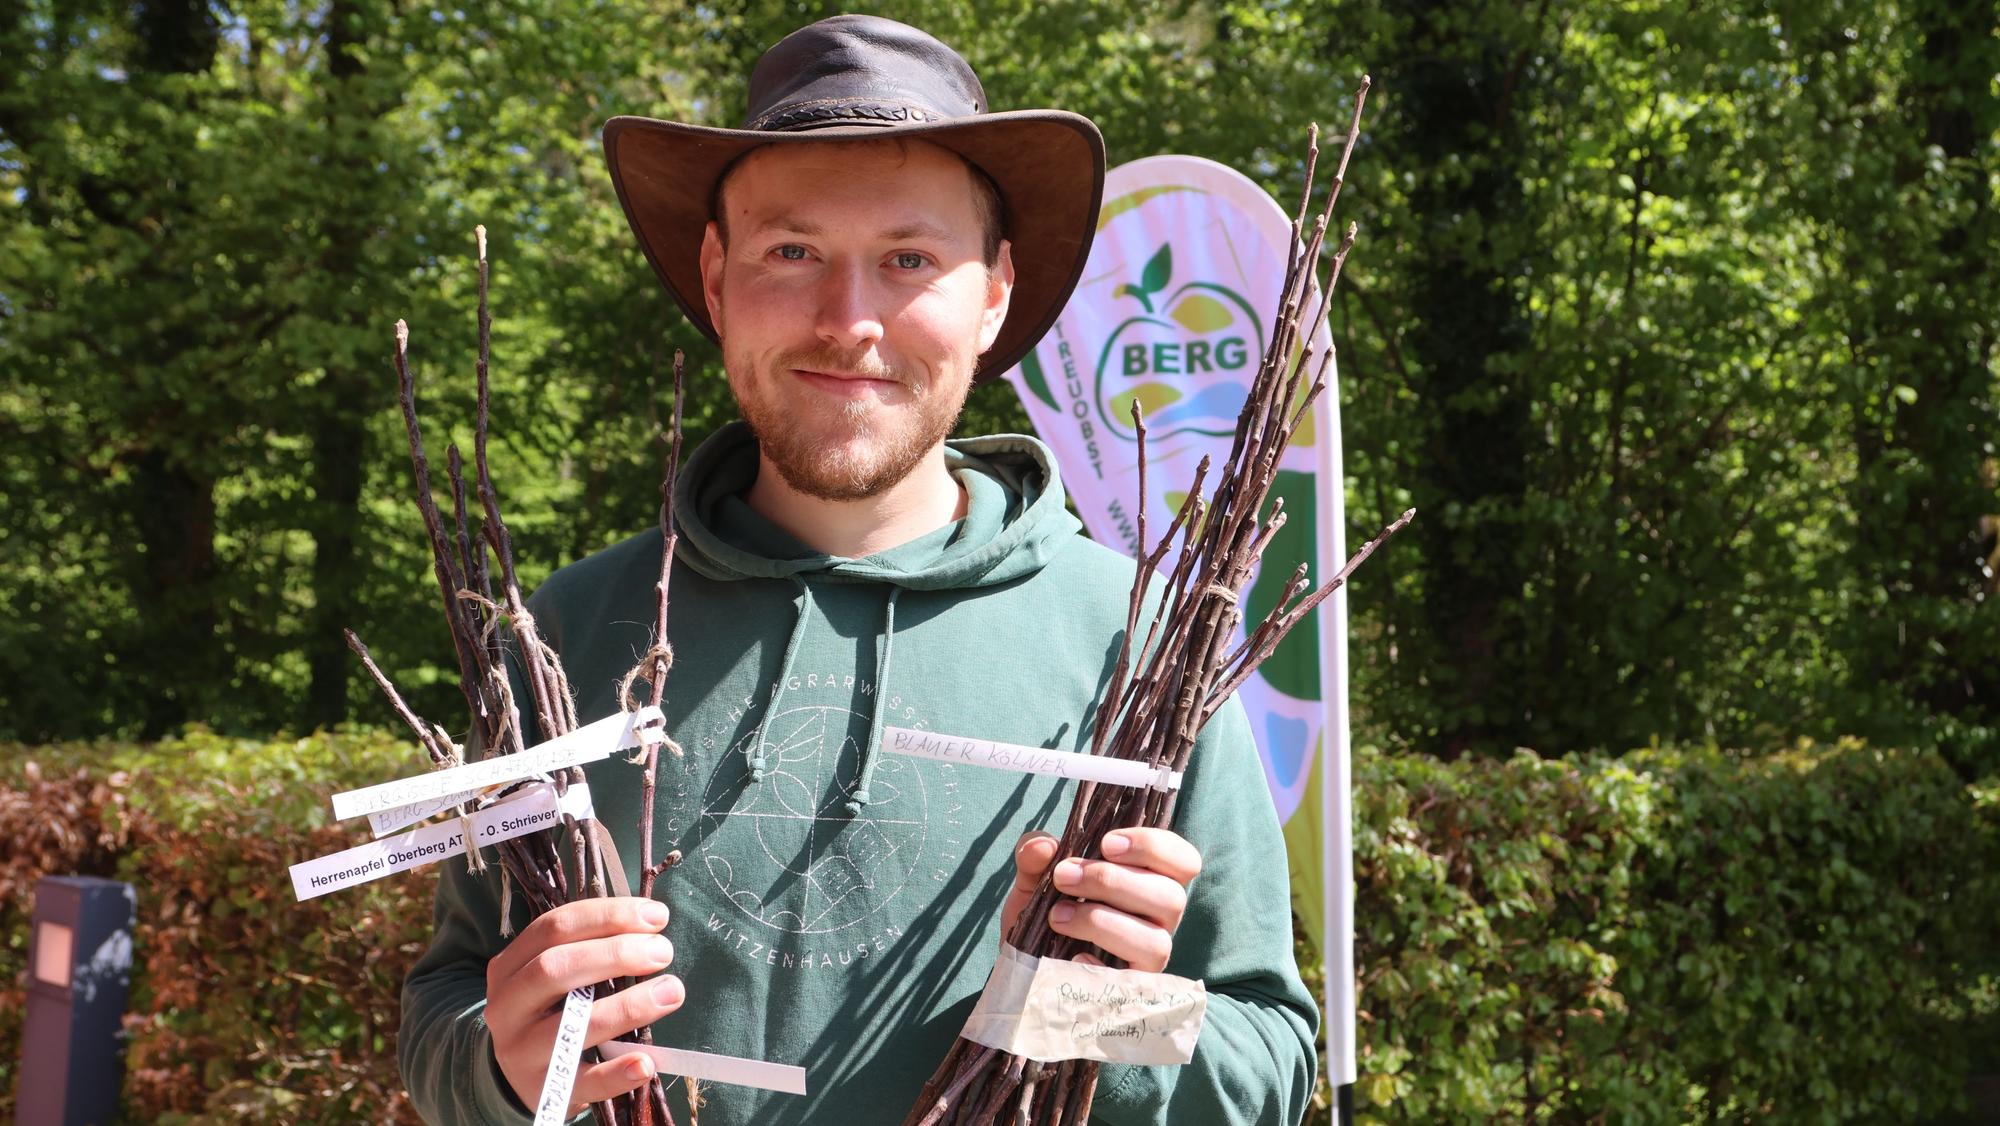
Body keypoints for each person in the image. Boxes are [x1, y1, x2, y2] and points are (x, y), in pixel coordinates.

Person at [399, 14, 1317, 1125]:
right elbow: (452, 1002)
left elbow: (1267, 1055)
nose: (849, 321)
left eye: (909, 259)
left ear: (993, 295)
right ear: (716, 273)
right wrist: (507, 1066)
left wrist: (1092, 1019)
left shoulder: (1138, 643)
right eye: (791, 252)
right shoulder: (564, 634)